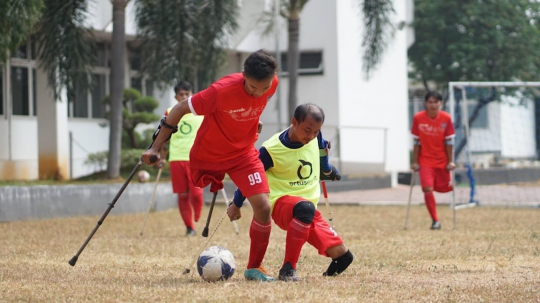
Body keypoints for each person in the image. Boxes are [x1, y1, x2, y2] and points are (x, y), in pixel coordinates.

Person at [142, 49, 279, 282]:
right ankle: (189, 225)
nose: (259, 93)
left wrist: (252, 121)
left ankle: (254, 267)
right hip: (210, 154)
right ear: (243, 75)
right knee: (189, 192)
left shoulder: (271, 83)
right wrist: (156, 147)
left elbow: (252, 106)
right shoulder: (220, 91)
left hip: (244, 154)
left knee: (264, 207)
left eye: (264, 89)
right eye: (253, 88)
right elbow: (178, 109)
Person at [229, 103, 353, 281]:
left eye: (316, 131)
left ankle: (322, 280)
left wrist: (327, 170)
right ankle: (288, 269)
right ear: (294, 122)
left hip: (308, 209)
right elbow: (251, 176)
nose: (311, 136)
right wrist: (236, 203)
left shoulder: (315, 137)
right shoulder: (271, 150)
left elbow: (321, 153)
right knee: (305, 208)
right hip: (281, 203)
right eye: (307, 130)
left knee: (344, 258)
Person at [160, 81, 204, 236]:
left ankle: (198, 217)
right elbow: (164, 137)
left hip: (196, 159)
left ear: (192, 94)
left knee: (196, 193)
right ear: (176, 96)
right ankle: (189, 227)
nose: (184, 97)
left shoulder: (200, 112)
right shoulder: (170, 111)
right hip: (177, 158)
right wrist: (161, 157)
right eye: (181, 95)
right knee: (183, 194)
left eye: (187, 94)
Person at [411, 91, 456, 230]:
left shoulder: (446, 118)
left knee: (444, 188)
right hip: (425, 161)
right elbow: (416, 141)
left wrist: (450, 161)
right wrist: (415, 161)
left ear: (440, 103)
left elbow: (449, 142)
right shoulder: (418, 118)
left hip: (442, 161)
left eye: (435, 102)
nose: (432, 105)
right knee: (427, 189)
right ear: (425, 103)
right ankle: (435, 220)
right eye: (430, 102)